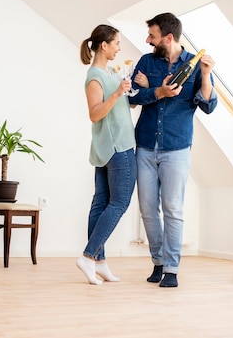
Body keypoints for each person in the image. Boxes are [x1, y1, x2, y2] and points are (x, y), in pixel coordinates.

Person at [128, 12, 217, 288]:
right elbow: (132, 95)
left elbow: (208, 105)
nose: (147, 40)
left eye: (152, 36)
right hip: (144, 144)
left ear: (168, 38)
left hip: (176, 147)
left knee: (173, 209)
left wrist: (206, 75)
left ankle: (172, 269)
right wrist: (157, 91)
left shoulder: (195, 65)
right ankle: (158, 261)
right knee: (146, 209)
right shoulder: (146, 61)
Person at [76, 24, 137, 285]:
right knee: (119, 202)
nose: (119, 48)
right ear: (104, 45)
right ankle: (89, 257)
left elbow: (121, 106)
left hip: (110, 147)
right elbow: (95, 114)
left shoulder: (110, 72)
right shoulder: (95, 77)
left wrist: (129, 92)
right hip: (116, 147)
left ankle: (98, 262)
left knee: (101, 204)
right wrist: (117, 92)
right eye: (116, 43)